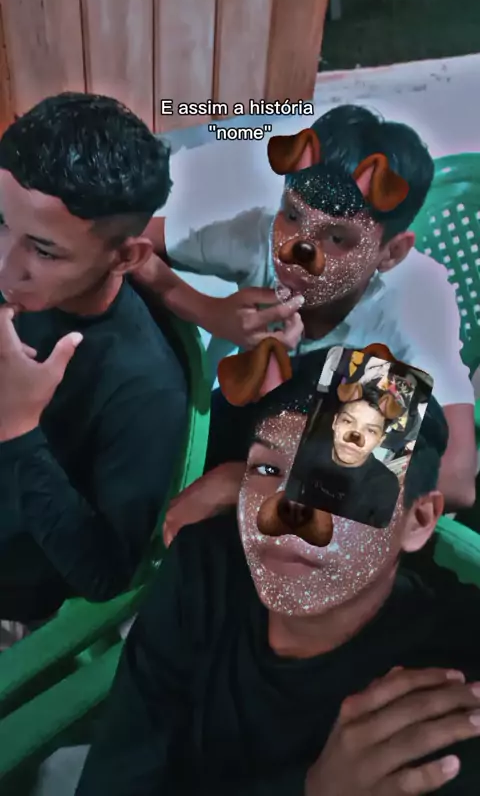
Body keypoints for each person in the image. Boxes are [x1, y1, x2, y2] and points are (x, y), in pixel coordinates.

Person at [74, 350, 480, 796]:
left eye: (342, 479)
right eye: (268, 469)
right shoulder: (205, 566)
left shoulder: (442, 694)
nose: (287, 509)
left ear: (418, 521)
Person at [138, 105, 476, 513]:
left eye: (338, 238)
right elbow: (125, 242)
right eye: (293, 214)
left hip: (337, 471)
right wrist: (207, 310)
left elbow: (457, 479)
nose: (295, 250)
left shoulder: (413, 299)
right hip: (245, 426)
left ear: (391, 253)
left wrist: (257, 482)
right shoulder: (257, 235)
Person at [0, 92, 193, 622]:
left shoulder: (144, 389)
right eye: (1, 222)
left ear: (126, 257)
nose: (5, 267)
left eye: (43, 250)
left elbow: (106, 574)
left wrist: (19, 431)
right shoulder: (23, 281)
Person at [288, 385, 400, 527]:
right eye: (347, 421)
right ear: (335, 422)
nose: (354, 436)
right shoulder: (310, 448)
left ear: (380, 440)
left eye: (371, 430)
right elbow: (293, 480)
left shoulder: (386, 486)